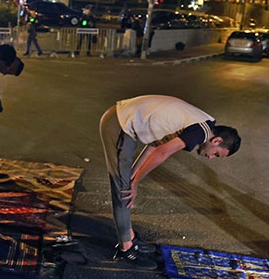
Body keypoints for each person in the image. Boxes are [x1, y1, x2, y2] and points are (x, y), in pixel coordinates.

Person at [98, 95, 241, 269]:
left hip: (122, 119)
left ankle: (130, 236)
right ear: (216, 140)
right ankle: (125, 248)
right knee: (123, 190)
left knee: (126, 184)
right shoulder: (200, 131)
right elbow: (162, 153)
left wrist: (134, 178)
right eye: (216, 154)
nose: (210, 158)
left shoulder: (203, 123)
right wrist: (133, 183)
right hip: (119, 123)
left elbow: (155, 146)